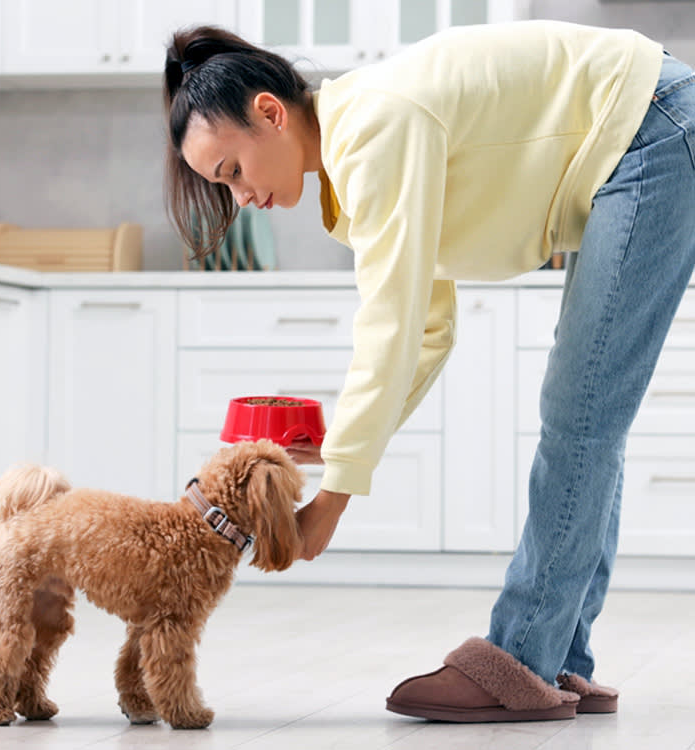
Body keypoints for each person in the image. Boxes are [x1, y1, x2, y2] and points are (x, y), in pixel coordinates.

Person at [163, 20, 695, 722]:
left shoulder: (374, 129)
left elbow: (390, 325)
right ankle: (560, 649)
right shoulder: (354, 173)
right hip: (645, 131)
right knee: (587, 408)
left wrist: (331, 502)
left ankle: (522, 661)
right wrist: (341, 448)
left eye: (231, 171)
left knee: (581, 407)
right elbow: (426, 330)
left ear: (269, 112)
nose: (241, 197)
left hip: (650, 128)